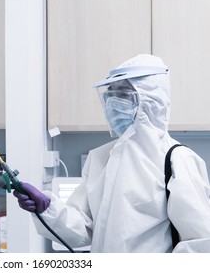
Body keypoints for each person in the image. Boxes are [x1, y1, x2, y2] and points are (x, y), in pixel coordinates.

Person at [13, 54, 210, 252]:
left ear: (151, 99)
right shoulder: (101, 159)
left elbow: (200, 243)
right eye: (110, 95)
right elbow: (84, 229)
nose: (112, 103)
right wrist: (47, 208)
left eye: (123, 94)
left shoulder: (177, 160)